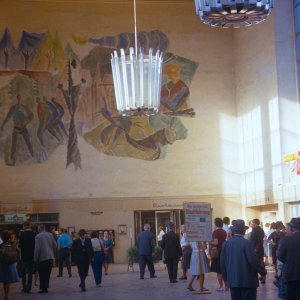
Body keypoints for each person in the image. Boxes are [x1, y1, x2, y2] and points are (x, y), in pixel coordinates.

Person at [221, 219, 267, 300]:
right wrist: (262, 271)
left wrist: (225, 279)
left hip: (233, 281)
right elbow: (253, 260)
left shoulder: (226, 244)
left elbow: (223, 263)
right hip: (248, 281)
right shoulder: (247, 243)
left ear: (233, 231)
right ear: (244, 231)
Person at [0, 94, 34, 165]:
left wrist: (25, 122)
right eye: (18, 97)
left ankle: (33, 156)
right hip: (16, 129)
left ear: (20, 98)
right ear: (16, 98)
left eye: (19, 97)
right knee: (14, 145)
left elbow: (31, 115)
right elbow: (7, 117)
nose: (19, 98)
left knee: (28, 142)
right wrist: (2, 126)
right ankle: (12, 159)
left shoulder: (24, 107)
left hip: (23, 128)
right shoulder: (13, 108)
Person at [277, 217, 300, 300]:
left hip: (291, 274)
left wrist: (289, 262)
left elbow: (279, 255)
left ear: (291, 228)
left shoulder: (286, 239)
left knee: (290, 296)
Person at [34, 224, 57, 294]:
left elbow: (37, 248)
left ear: (40, 228)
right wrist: (52, 253)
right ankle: (46, 287)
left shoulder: (38, 236)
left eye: (38, 228)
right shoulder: (50, 235)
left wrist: (35, 258)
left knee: (42, 273)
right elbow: (55, 245)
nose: (37, 229)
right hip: (50, 257)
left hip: (42, 257)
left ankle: (43, 288)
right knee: (47, 273)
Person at [0, 230, 20, 300]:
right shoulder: (13, 244)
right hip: (11, 264)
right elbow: (18, 253)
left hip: (2, 264)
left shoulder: (1, 245)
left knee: (5, 281)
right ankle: (6, 295)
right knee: (8, 281)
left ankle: (6, 295)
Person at [210, 217, 227, 292]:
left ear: (215, 224)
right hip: (223, 252)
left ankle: (221, 286)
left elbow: (216, 242)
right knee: (223, 270)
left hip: (217, 253)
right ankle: (227, 286)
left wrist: (209, 242)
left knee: (219, 271)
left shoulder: (215, 232)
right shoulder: (224, 232)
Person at [18, 221, 35, 293]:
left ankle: (24, 287)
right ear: (30, 225)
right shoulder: (34, 234)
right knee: (30, 273)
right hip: (31, 256)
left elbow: (20, 245)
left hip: (24, 256)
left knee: (24, 273)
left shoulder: (22, 234)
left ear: (24, 226)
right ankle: (29, 288)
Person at [250, 218, 266, 284]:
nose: (251, 224)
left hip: (256, 249)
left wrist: (255, 248)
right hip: (260, 248)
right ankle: (263, 276)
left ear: (254, 223)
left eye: (252, 223)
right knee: (261, 262)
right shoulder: (261, 229)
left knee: (257, 263)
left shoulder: (255, 230)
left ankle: (262, 275)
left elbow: (258, 240)